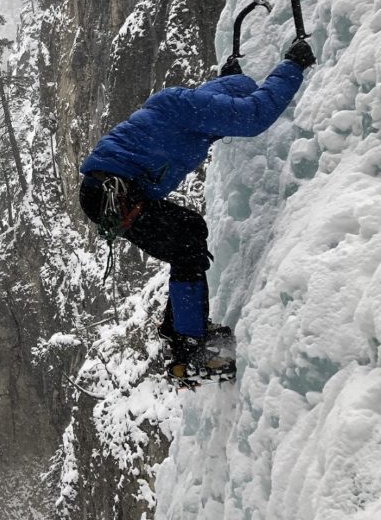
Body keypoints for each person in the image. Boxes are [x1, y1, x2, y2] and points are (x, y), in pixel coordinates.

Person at [78, 38, 316, 382]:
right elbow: (252, 117)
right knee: (187, 240)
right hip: (115, 194)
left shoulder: (186, 108)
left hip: (111, 191)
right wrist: (291, 66)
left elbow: (215, 108)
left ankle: (180, 335)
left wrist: (229, 77)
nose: (223, 126)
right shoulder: (187, 109)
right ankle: (191, 344)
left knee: (187, 230)